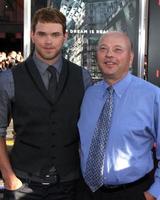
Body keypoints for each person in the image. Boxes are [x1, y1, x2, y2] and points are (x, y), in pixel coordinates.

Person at [0, 7, 92, 200]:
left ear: (65, 36)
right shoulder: (9, 78)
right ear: (32, 35)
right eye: (42, 34)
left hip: (71, 184)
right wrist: (10, 179)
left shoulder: (83, 77)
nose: (48, 41)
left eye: (55, 34)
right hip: (23, 183)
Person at [78, 31, 160, 200]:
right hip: (87, 192)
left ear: (130, 58)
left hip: (132, 193)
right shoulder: (89, 95)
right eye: (103, 49)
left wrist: (154, 193)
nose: (109, 55)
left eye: (117, 49)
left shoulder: (153, 96)